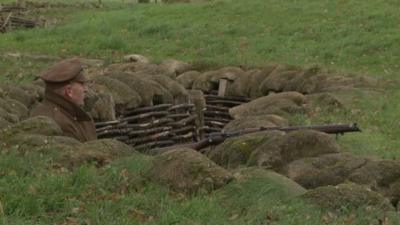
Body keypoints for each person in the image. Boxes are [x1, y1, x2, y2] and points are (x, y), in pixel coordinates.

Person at [30, 58, 97, 142]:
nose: (86, 89)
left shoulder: (68, 112)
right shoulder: (62, 124)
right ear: (69, 91)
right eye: (82, 84)